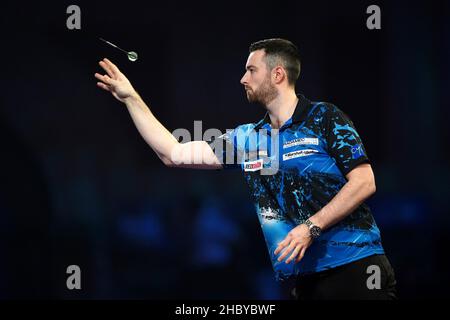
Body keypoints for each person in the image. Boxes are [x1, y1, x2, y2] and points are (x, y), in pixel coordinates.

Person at [94, 38, 397, 300]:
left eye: (251, 70)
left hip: (357, 266)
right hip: (304, 279)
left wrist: (310, 227)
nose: (243, 78)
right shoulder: (248, 139)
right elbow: (173, 153)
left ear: (278, 74)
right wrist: (131, 98)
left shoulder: (325, 117)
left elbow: (364, 182)